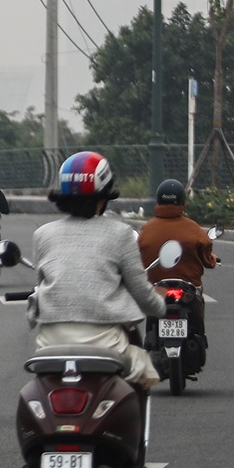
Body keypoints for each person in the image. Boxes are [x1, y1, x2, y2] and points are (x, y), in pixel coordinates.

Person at [27, 151, 164, 392]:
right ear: (104, 193)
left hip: (50, 343)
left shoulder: (43, 234)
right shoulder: (120, 234)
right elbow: (142, 293)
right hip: (106, 345)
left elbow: (42, 283)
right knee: (144, 370)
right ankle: (137, 430)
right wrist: (160, 306)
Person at [135, 178, 217, 341]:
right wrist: (211, 261)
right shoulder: (192, 227)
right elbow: (206, 248)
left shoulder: (147, 228)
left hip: (157, 287)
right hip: (188, 287)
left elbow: (137, 257)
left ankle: (151, 337)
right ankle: (200, 335)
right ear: (182, 201)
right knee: (199, 300)